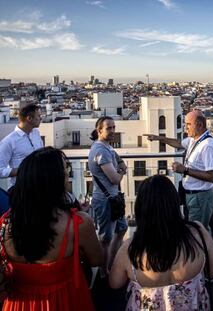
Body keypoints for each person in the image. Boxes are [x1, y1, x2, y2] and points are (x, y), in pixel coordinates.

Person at [0, 147, 103, 310]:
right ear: (55, 181)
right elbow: (97, 259)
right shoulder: (78, 223)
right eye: (65, 171)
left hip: (19, 303)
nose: (68, 177)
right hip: (65, 300)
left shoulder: (5, 223)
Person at [109, 175, 213, 310]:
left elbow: (115, 283)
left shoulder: (130, 248)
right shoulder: (198, 233)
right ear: (174, 203)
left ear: (141, 209)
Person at [144, 110, 213, 231]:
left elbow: (212, 176)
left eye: (188, 124)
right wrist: (159, 138)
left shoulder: (208, 145)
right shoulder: (195, 139)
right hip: (193, 195)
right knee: (198, 230)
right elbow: (179, 143)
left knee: (197, 232)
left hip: (200, 196)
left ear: (199, 125)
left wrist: (185, 170)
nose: (185, 128)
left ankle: (204, 250)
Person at [88, 116, 128, 278]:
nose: (112, 131)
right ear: (99, 131)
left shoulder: (107, 148)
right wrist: (122, 170)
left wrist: (121, 164)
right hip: (105, 200)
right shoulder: (100, 151)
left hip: (113, 198)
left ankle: (113, 263)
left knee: (122, 229)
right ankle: (104, 272)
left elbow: (119, 160)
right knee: (106, 238)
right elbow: (115, 178)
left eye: (113, 127)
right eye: (109, 128)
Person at [0, 104, 43, 188]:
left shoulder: (36, 133)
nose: (41, 118)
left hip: (39, 187)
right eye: (38, 116)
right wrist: (24, 170)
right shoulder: (9, 141)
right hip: (21, 190)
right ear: (29, 118)